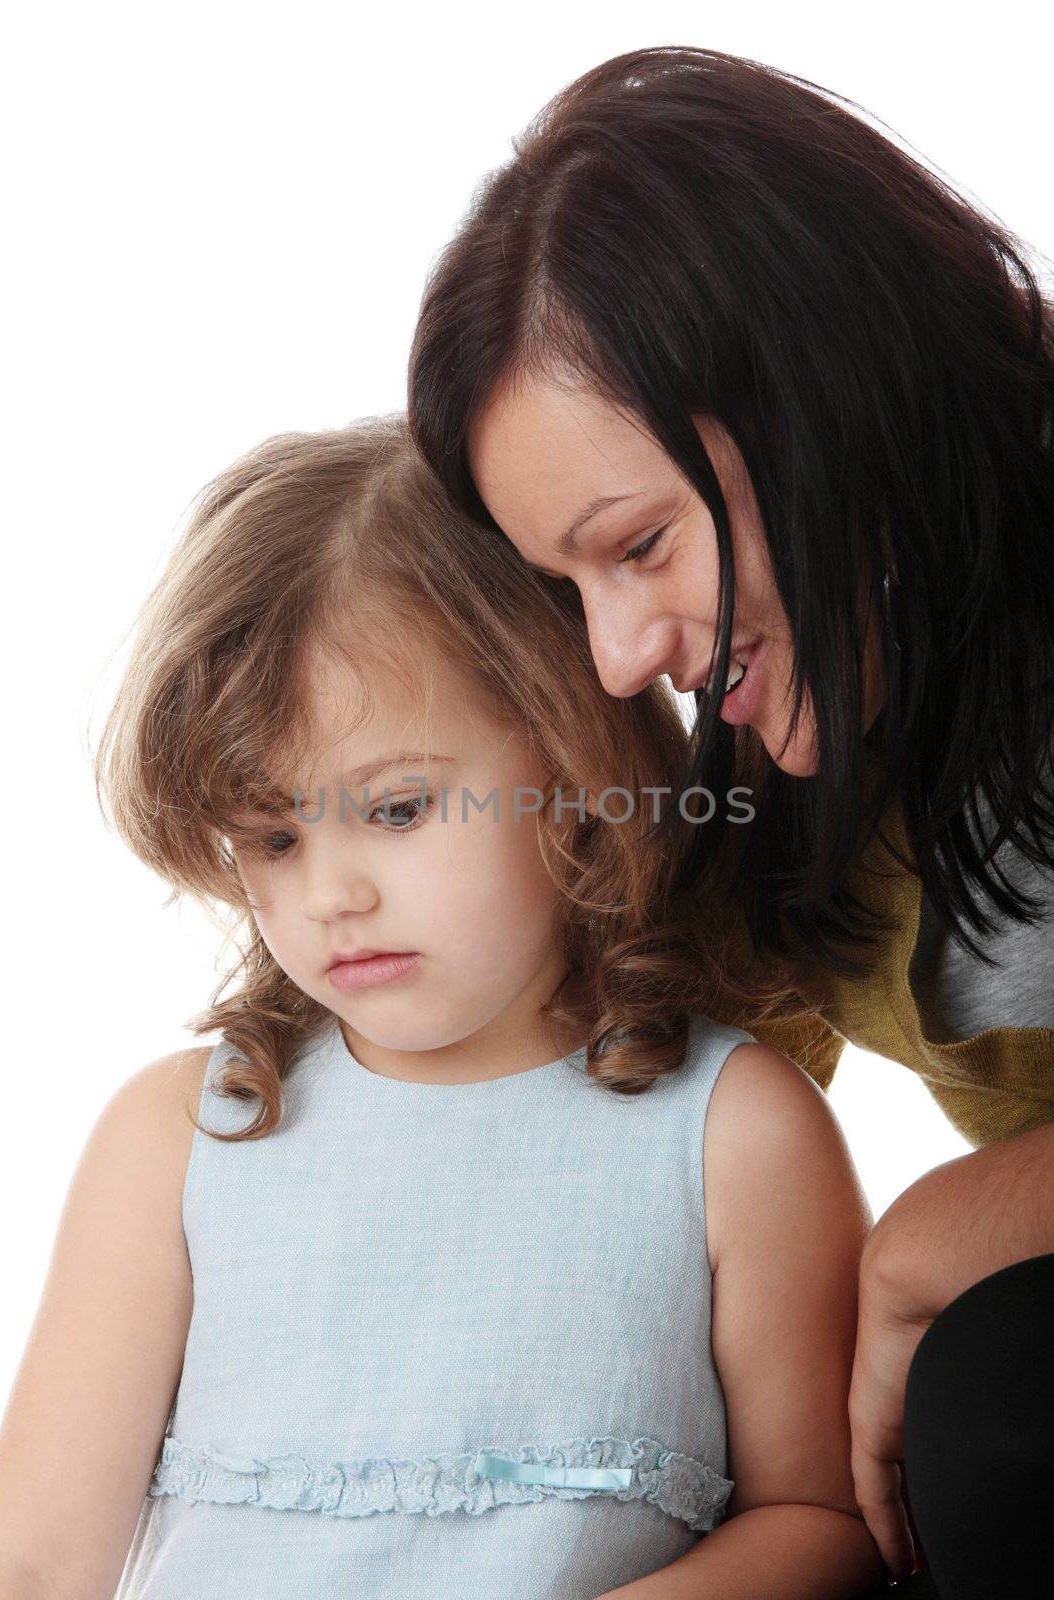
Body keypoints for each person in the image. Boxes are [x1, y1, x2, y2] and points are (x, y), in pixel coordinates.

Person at [0, 418, 892, 1599]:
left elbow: (822, 1518)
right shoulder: (183, 1137)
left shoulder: (730, 1131)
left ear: (574, 768)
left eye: (400, 809)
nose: (330, 893)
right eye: (270, 834)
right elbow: (37, 1558)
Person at [405, 45, 1054, 1599]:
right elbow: (621, 1181)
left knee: (997, 1392)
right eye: (569, 593)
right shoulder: (769, 797)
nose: (623, 654)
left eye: (637, 547)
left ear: (830, 391)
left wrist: (952, 1224)